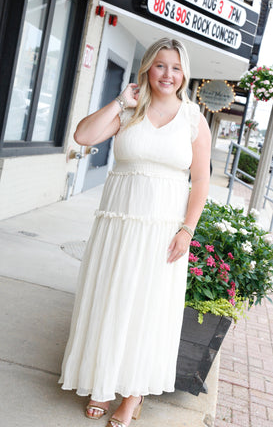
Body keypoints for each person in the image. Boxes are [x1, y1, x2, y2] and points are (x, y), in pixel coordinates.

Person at [59, 37, 211, 426]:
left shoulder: (194, 119)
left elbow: (201, 181)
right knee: (110, 301)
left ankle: (133, 395)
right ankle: (102, 382)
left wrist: (187, 231)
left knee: (148, 310)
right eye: (160, 65)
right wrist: (119, 102)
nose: (168, 74)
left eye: (175, 68)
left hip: (162, 233)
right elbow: (84, 137)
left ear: (184, 74)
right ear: (147, 68)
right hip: (118, 225)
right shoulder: (130, 110)